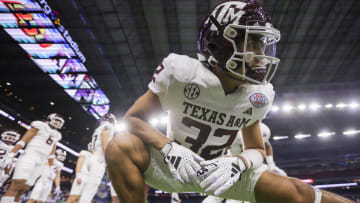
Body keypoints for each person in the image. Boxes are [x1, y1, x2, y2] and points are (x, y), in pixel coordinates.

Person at [105, 0, 354, 202]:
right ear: (220, 43)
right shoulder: (181, 74)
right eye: (253, 42)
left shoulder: (257, 94)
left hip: (223, 172)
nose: (261, 53)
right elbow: (133, 119)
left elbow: (256, 148)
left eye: (262, 43)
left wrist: (238, 163)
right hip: (172, 167)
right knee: (120, 145)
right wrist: (170, 148)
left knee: (298, 194)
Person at [202, 122, 286, 203]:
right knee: (218, 194)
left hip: (248, 166)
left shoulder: (262, 130)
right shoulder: (233, 132)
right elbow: (220, 150)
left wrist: (271, 163)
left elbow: (267, 145)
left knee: (247, 194)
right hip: (233, 164)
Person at [0, 113, 64, 203]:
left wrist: (50, 167)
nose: (57, 123)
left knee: (25, 187)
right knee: (17, 183)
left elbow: (52, 153)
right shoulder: (40, 125)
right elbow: (23, 141)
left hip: (42, 160)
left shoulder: (57, 135)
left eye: (60, 122)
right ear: (50, 118)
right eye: (56, 120)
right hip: (30, 155)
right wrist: (11, 154)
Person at [78, 113, 117, 203]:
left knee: (87, 188)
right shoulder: (108, 126)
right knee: (91, 188)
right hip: (99, 160)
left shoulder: (98, 129)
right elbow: (105, 145)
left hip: (93, 157)